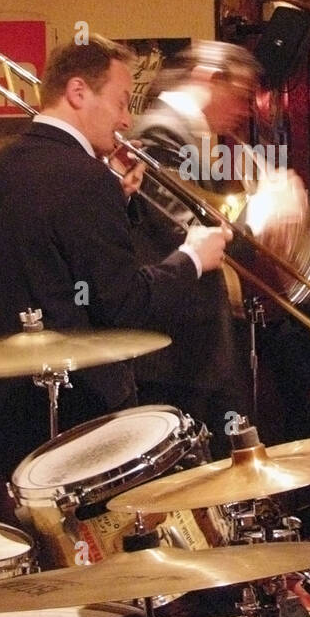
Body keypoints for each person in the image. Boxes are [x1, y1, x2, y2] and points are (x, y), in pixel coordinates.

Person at [0, 35, 227, 477]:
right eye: (119, 102)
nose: (127, 120)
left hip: (14, 406)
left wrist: (117, 203)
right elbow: (124, 302)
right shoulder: (85, 177)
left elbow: (48, 257)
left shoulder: (4, 166)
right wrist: (191, 257)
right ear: (77, 92)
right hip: (83, 410)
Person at [128, 40, 264, 441]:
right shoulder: (161, 130)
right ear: (208, 77)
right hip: (178, 351)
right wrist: (266, 216)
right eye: (240, 96)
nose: (244, 111)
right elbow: (185, 231)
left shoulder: (196, 136)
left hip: (198, 347)